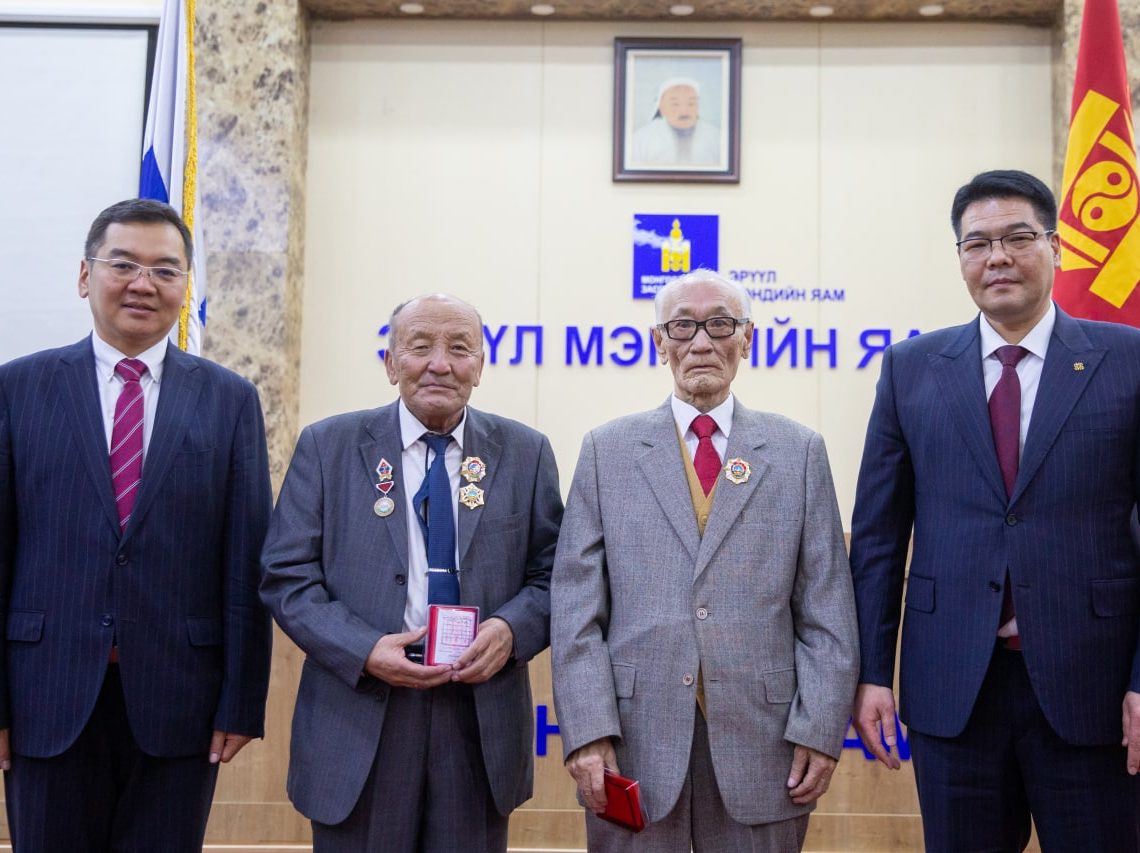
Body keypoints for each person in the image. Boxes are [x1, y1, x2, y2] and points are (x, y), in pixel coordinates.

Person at [850, 169, 1140, 852]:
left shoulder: (1128, 360)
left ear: (1056, 246)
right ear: (960, 258)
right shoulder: (911, 368)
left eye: (1017, 238)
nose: (997, 257)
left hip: (1094, 690)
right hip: (954, 689)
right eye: (977, 243)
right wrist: (871, 672)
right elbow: (879, 540)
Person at [551, 269, 858, 851]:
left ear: (747, 338)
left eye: (719, 324)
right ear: (658, 342)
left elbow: (827, 612)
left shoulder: (798, 452)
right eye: (682, 327)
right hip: (632, 744)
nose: (700, 342)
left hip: (767, 745)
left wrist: (819, 729)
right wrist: (588, 732)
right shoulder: (606, 452)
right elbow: (575, 614)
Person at [0, 198, 273, 852]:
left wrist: (241, 701)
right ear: (85, 275)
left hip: (181, 702)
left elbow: (245, 562)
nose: (143, 284)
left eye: (165, 270)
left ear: (185, 286)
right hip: (44, 696)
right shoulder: (18, 388)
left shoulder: (230, 399)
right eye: (123, 264)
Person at [260, 293, 563, 852]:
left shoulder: (526, 453)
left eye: (459, 349)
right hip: (360, 714)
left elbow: (553, 575)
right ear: (391, 363)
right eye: (420, 347)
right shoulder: (329, 447)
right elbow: (287, 576)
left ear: (480, 365)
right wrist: (363, 649)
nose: (439, 364)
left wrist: (511, 630)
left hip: (477, 721)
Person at [630, 77, 721, 167]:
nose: (684, 111)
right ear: (661, 107)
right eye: (675, 104)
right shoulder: (641, 138)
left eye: (691, 104)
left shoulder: (716, 137)